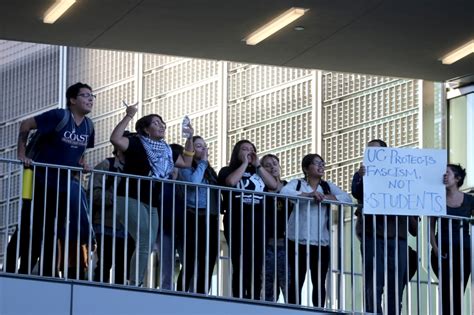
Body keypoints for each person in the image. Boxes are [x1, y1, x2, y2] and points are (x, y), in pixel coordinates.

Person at [7, 82, 95, 277]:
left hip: (63, 185)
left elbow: (80, 151)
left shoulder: (89, 126)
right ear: (72, 100)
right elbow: (26, 125)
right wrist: (21, 154)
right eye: (84, 95)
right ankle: (11, 270)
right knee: (30, 225)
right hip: (38, 178)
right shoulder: (59, 116)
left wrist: (83, 164)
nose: (90, 99)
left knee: (51, 229)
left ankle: (40, 272)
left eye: (92, 96)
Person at [110, 106, 194, 287]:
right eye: (156, 123)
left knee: (146, 243)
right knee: (144, 238)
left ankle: (135, 281)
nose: (162, 125)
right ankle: (135, 283)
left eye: (162, 122)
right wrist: (129, 115)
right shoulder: (136, 143)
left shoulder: (167, 150)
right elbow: (115, 139)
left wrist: (189, 138)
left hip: (152, 201)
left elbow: (187, 161)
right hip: (130, 196)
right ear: (146, 129)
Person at [352, 139, 417, 315]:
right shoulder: (361, 173)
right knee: (374, 280)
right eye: (369, 151)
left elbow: (415, 194)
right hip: (372, 234)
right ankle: (373, 312)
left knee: (396, 281)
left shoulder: (401, 174)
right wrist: (362, 177)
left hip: (398, 235)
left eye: (376, 151)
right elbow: (356, 193)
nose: (372, 155)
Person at [281, 153, 351, 307]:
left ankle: (318, 309)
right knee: (296, 280)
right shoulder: (298, 183)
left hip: (321, 242)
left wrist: (324, 197)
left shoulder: (326, 186)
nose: (321, 166)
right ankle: (294, 309)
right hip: (297, 239)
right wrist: (309, 195)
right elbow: (284, 192)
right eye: (316, 163)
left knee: (319, 281)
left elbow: (346, 198)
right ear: (306, 168)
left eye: (322, 163)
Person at [218, 140, 278, 300]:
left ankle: (254, 298)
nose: (249, 152)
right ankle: (239, 297)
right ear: (237, 152)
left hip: (258, 222)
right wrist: (244, 163)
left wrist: (258, 165)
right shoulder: (226, 170)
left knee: (257, 263)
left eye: (252, 149)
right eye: (244, 149)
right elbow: (231, 182)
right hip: (237, 220)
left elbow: (273, 185)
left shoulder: (259, 173)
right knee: (240, 262)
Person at [176, 136, 219, 294]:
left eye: (204, 146)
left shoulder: (208, 170)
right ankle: (180, 293)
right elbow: (193, 183)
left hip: (209, 218)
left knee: (208, 260)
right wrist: (203, 163)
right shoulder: (185, 166)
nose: (204, 149)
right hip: (191, 216)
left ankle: (202, 295)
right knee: (190, 261)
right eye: (199, 146)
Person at [430, 164, 473, 315]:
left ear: (457, 178)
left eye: (448, 173)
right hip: (443, 250)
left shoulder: (469, 200)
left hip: (464, 251)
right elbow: (431, 225)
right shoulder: (437, 197)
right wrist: (435, 248)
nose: (444, 176)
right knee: (446, 289)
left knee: (458, 289)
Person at [92, 140, 135, 284]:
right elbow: (93, 193)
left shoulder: (134, 169)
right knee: (105, 263)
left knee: (123, 267)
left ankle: (118, 298)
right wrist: (117, 199)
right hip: (106, 224)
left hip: (126, 226)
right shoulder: (107, 165)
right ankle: (98, 292)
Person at [260, 154, 291, 302]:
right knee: (268, 289)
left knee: (289, 286)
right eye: (267, 165)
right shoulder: (260, 189)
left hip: (286, 244)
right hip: (266, 244)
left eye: (275, 163)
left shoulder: (289, 187)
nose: (272, 167)